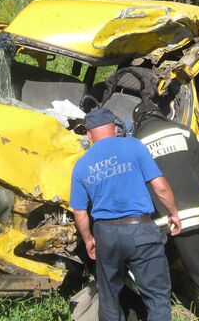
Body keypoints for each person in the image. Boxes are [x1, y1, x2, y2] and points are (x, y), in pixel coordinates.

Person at [132, 100, 199, 321]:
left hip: (158, 223)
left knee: (152, 277)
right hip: (194, 216)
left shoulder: (135, 144)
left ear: (136, 121)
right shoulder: (183, 131)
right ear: (161, 113)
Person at [70, 108, 182, 321]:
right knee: (157, 298)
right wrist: (173, 213)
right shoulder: (133, 146)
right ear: (114, 128)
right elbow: (160, 187)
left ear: (88, 134)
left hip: (106, 235)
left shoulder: (81, 165)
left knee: (110, 298)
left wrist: (88, 240)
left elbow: (80, 211)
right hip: (140, 230)